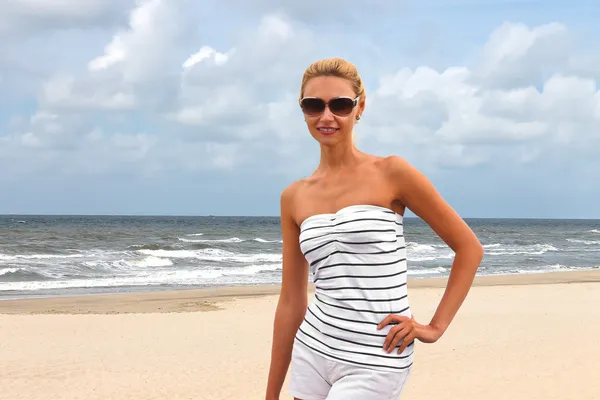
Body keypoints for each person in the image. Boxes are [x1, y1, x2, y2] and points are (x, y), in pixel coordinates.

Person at [265, 57, 484, 400]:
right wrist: (271, 393)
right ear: (303, 110)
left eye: (339, 104)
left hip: (377, 358)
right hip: (314, 349)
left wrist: (435, 327)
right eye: (313, 105)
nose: (326, 116)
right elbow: (292, 301)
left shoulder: (392, 173)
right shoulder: (293, 197)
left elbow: (469, 248)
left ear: (360, 107)